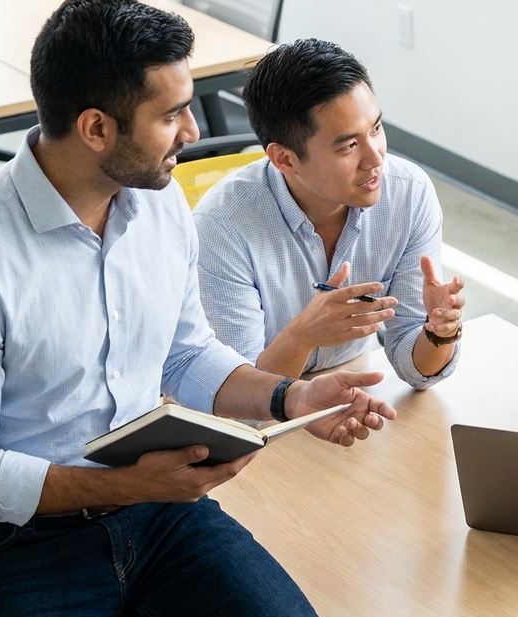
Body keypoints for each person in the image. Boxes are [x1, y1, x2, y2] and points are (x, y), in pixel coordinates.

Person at [0, 2, 397, 617]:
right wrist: (131, 487)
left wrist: (289, 397)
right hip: (12, 548)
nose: (194, 133)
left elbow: (183, 354)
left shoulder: (158, 205)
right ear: (97, 128)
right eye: (173, 115)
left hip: (154, 513)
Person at [196, 39, 464, 389]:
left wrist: (440, 332)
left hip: (350, 382)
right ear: (285, 159)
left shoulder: (408, 194)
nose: (376, 158)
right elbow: (237, 401)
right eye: (349, 146)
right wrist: (302, 336)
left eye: (376, 129)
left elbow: (415, 369)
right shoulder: (221, 228)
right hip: (263, 412)